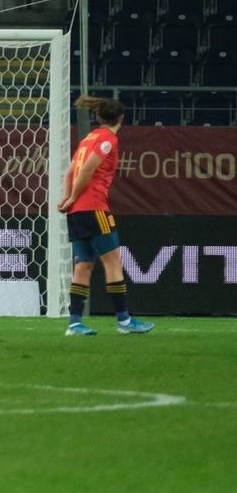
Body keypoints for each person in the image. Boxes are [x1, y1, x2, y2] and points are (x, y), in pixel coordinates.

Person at [57, 95, 154, 336]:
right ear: (121, 118)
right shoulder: (108, 140)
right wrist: (71, 198)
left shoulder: (88, 138)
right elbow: (87, 171)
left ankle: (74, 323)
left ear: (98, 117)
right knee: (113, 262)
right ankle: (124, 321)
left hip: (77, 212)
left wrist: (68, 199)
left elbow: (70, 171)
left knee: (83, 265)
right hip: (94, 208)